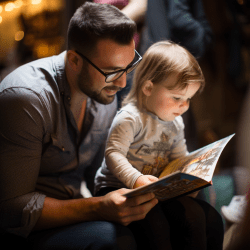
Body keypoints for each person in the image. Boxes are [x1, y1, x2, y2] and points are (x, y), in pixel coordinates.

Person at [0, 2, 159, 250]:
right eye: (112, 71)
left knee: (184, 215)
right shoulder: (26, 98)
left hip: (72, 210)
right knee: (114, 239)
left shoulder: (103, 92)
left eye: (128, 67)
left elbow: (98, 177)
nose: (122, 82)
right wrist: (97, 207)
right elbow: (11, 209)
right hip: (22, 231)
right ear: (74, 60)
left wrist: (152, 174)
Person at [95, 41, 224, 249]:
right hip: (118, 188)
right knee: (157, 226)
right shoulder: (130, 118)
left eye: (188, 99)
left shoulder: (175, 121)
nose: (183, 106)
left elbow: (180, 159)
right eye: (177, 97)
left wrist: (192, 179)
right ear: (148, 87)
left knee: (207, 218)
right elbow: (113, 154)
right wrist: (136, 179)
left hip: (155, 191)